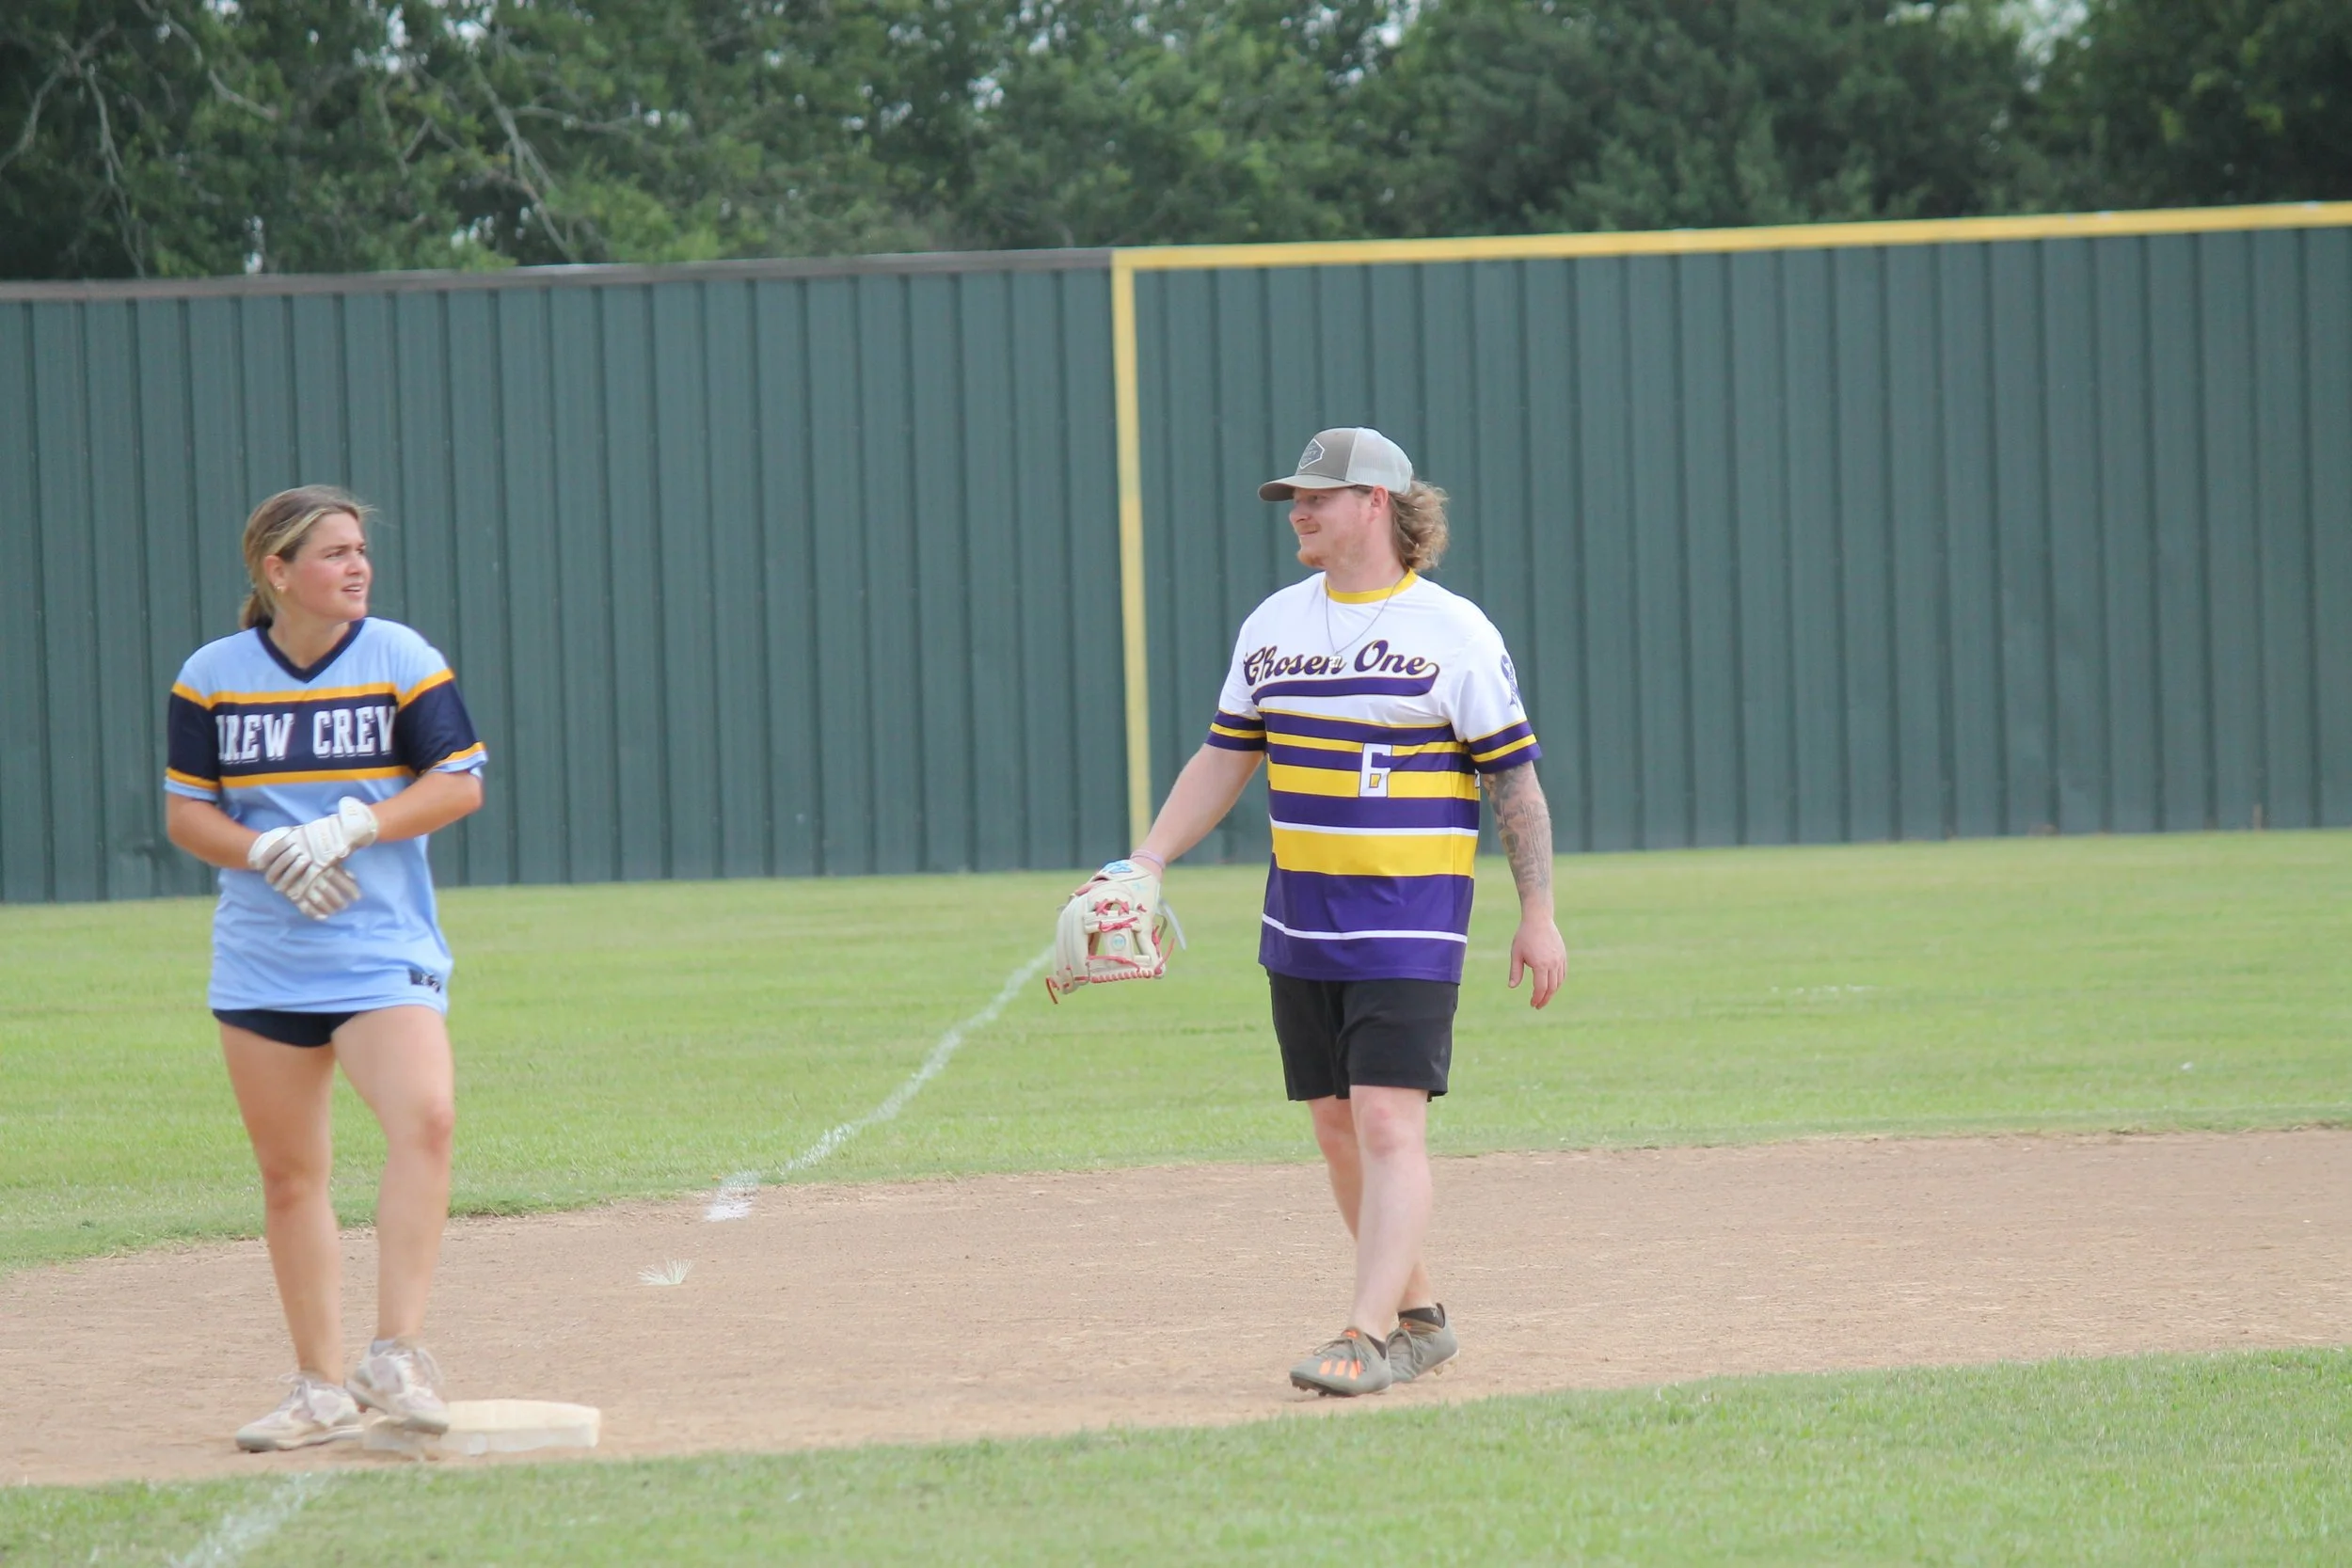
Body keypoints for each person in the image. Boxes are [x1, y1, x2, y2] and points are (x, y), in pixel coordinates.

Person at [1120, 427, 1565, 1395]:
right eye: (1294, 498)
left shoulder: (1453, 632)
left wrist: (1539, 911)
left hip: (1409, 916)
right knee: (1333, 1123)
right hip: (1299, 918)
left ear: (1377, 503)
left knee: (1387, 1121)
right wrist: (1149, 857)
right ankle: (1419, 1317)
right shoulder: (1273, 624)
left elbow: (1514, 785)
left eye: (1318, 496)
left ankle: (1363, 1334)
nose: (1300, 512)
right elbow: (1225, 755)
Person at [163, 485, 487, 1451]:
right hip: (265, 955)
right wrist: (266, 851)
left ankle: (397, 1350)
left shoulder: (399, 655)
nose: (358, 566)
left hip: (378, 946)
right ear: (277, 570)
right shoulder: (212, 674)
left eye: (360, 550)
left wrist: (355, 822)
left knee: (425, 1118)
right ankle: (317, 1386)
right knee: (290, 1174)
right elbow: (188, 813)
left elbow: (458, 782)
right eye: (335, 552)